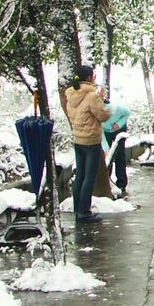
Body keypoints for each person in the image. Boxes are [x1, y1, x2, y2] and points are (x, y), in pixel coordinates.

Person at [61, 64, 111, 224]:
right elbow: (103, 115)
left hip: (78, 140)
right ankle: (84, 212)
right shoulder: (91, 96)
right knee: (89, 177)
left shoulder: (70, 95)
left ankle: (78, 209)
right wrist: (103, 101)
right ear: (89, 77)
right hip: (91, 141)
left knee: (80, 176)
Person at [103, 99, 131, 196]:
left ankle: (121, 183)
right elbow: (100, 131)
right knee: (107, 157)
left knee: (119, 155)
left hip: (119, 128)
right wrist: (105, 147)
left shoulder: (118, 108)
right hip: (105, 130)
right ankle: (108, 182)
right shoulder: (98, 113)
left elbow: (127, 113)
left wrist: (119, 124)